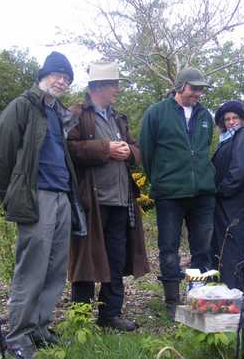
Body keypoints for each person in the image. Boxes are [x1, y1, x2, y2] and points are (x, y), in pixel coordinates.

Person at [0, 52, 86, 359]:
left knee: (55, 269)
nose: (62, 81)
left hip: (61, 196)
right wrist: (10, 194)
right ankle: (18, 335)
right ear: (42, 75)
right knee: (31, 269)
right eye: (58, 74)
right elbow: (2, 152)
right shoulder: (22, 106)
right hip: (36, 197)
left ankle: (40, 329)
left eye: (67, 78)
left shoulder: (57, 113)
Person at [67, 62, 149, 331]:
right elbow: (68, 147)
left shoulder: (118, 118)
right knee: (86, 260)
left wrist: (128, 151)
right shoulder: (77, 114)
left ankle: (109, 316)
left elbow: (137, 148)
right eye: (114, 84)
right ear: (98, 87)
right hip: (92, 202)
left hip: (121, 200)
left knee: (115, 258)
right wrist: (105, 149)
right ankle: (80, 318)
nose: (118, 89)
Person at [139, 67, 216, 318]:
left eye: (201, 89)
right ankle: (172, 302)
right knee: (168, 248)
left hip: (202, 193)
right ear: (180, 86)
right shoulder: (156, 113)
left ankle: (198, 297)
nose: (198, 93)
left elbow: (204, 148)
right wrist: (161, 178)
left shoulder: (205, 115)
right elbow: (147, 152)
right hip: (169, 193)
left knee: (202, 247)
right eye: (194, 88)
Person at [211, 100, 244, 290]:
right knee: (226, 250)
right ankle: (227, 292)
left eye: (235, 117)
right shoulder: (227, 139)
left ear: (242, 119)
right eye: (227, 119)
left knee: (237, 249)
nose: (231, 122)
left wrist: (222, 189)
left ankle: (239, 294)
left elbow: (242, 168)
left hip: (239, 206)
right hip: (227, 206)